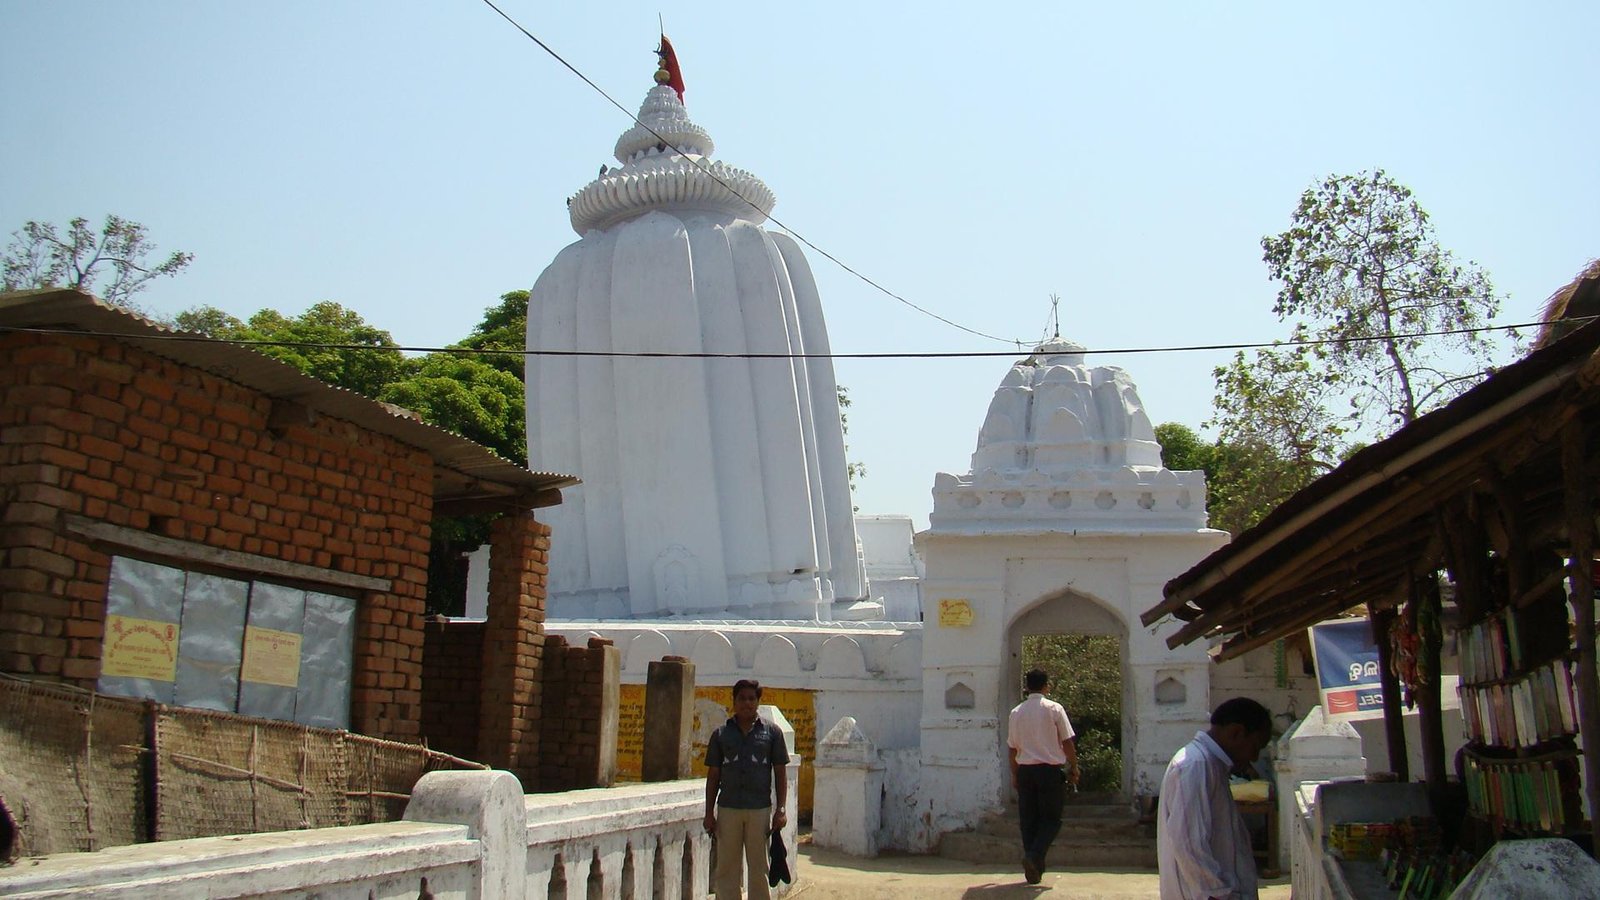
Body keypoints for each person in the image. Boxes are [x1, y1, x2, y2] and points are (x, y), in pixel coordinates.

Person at [1157, 697, 1274, 900]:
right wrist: (1217, 893)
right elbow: (1188, 842)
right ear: (1236, 732)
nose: (1254, 758)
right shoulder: (1196, 764)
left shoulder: (1211, 765)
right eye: (1255, 746)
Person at [704, 679, 790, 900]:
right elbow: (713, 775)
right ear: (734, 701)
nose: (747, 703)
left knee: (759, 867)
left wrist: (781, 809)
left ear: (758, 702)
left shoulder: (772, 733)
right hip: (728, 808)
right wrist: (708, 813)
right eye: (742, 698)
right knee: (726, 868)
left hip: (759, 809)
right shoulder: (721, 735)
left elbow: (780, 772)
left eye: (751, 698)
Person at [1007, 668, 1079, 885]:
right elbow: (1067, 741)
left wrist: (1015, 774)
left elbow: (1012, 748)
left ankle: (1035, 866)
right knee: (1051, 820)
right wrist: (1074, 766)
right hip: (1049, 771)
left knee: (1028, 820)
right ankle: (1034, 855)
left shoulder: (1016, 712)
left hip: (1025, 771)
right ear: (1046, 686)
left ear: (1027, 687)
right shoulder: (1054, 709)